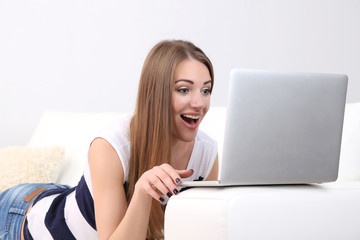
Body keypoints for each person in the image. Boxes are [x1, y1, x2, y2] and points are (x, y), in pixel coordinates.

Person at [0, 39, 219, 240]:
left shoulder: (207, 155)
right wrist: (143, 191)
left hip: (66, 196)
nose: (199, 103)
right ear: (157, 94)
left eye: (206, 90)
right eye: (184, 89)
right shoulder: (111, 145)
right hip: (19, 217)